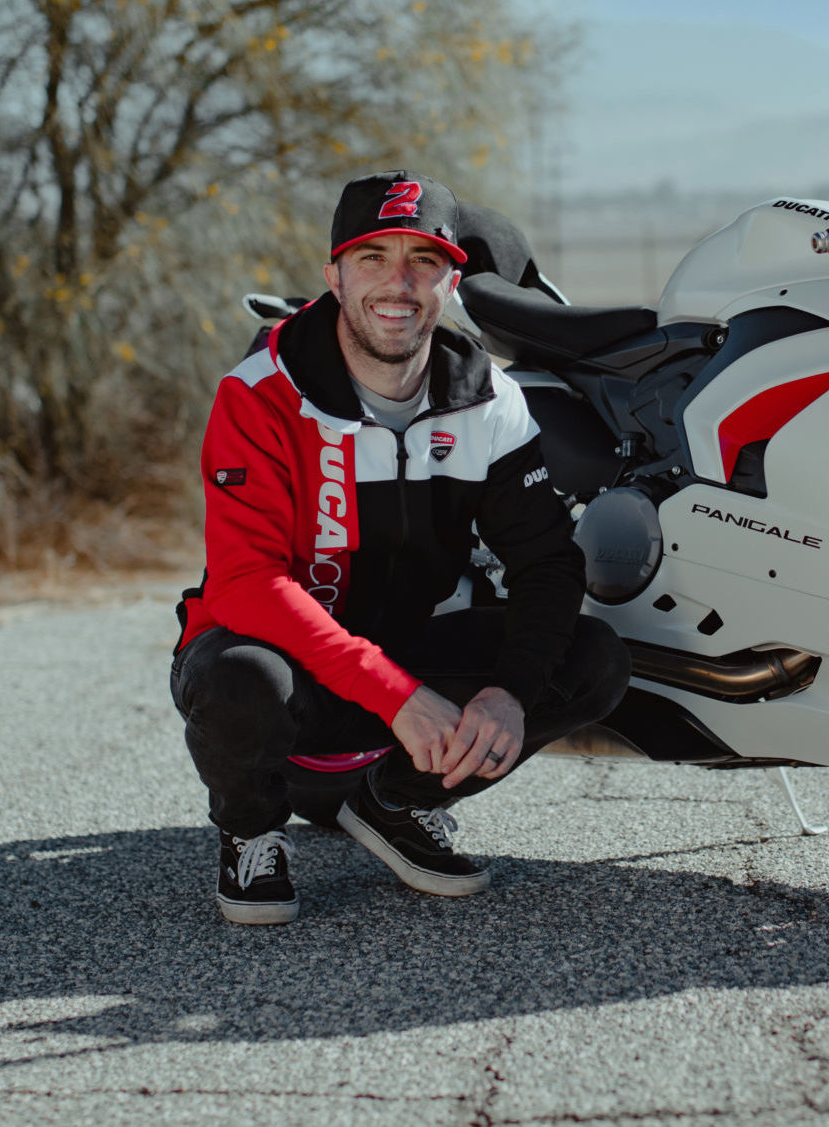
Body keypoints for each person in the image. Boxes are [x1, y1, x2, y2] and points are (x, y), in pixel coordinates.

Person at [169, 170, 629, 925]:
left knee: (595, 657)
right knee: (238, 672)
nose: (399, 283)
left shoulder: (487, 399)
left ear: (453, 280)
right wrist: (398, 695)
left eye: (425, 261)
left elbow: (546, 562)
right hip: (293, 683)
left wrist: (509, 692)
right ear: (334, 275)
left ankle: (396, 802)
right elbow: (246, 583)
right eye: (373, 257)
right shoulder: (259, 391)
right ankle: (252, 831)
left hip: (402, 680)